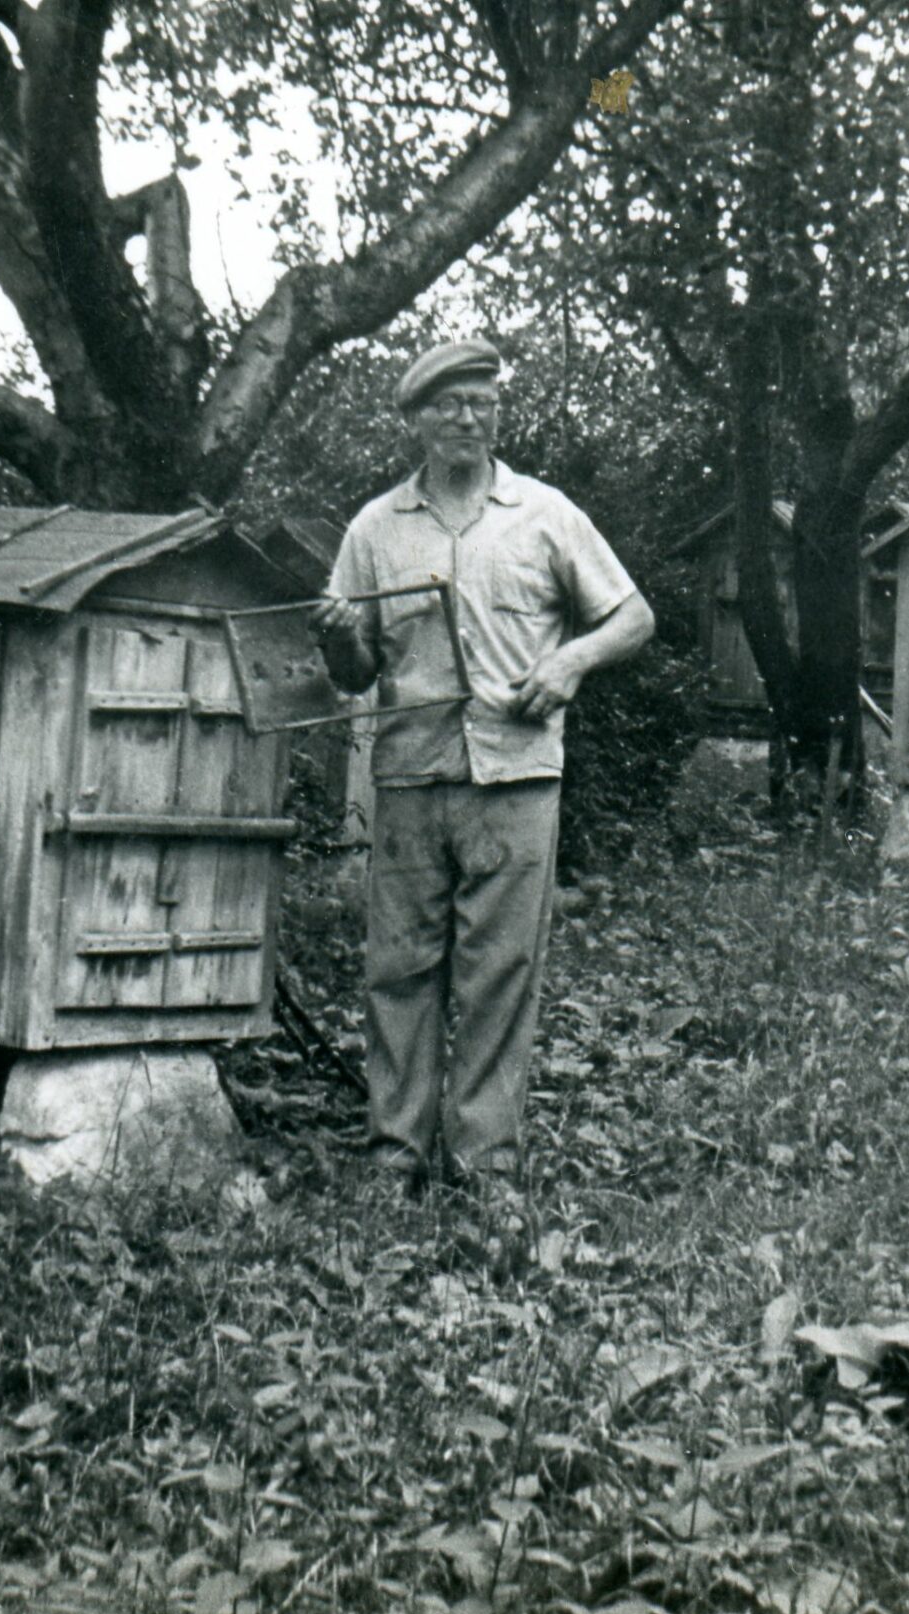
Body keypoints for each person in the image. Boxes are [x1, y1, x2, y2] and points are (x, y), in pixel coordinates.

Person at [314, 337, 655, 1190]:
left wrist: (572, 660)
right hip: (412, 776)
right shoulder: (372, 529)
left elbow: (633, 617)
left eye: (483, 403)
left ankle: (485, 1163)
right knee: (399, 969)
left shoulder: (545, 514)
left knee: (502, 974)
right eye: (450, 404)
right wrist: (340, 640)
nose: (469, 418)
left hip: (517, 774)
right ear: (417, 420)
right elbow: (354, 674)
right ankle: (395, 1157)